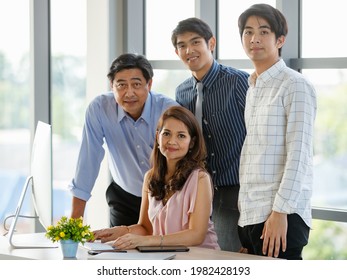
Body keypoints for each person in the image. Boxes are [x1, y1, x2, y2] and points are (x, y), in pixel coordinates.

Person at [237, 4, 317, 259]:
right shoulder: (253, 86)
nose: (254, 39)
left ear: (280, 39)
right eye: (248, 32)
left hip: (281, 217)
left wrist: (280, 212)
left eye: (263, 32)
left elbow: (299, 155)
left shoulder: (295, 85)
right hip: (252, 215)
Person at [68, 53, 178, 227]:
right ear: (112, 86)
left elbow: (181, 159)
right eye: (121, 85)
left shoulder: (169, 110)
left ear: (149, 84)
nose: (129, 93)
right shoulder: (99, 109)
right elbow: (88, 160)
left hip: (164, 197)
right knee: (119, 251)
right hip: (124, 197)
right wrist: (74, 223)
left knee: (161, 251)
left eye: (136, 84)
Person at [92, 106, 220, 250]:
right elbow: (146, 228)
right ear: (157, 137)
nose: (172, 141)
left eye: (181, 136)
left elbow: (196, 235)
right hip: (167, 257)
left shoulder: (200, 179)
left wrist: (147, 241)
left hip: (201, 258)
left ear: (192, 143)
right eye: (166, 134)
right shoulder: (150, 177)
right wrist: (121, 231)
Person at [171, 17, 249, 252]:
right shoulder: (182, 91)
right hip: (198, 189)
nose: (189, 50)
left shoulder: (238, 82)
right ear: (177, 52)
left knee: (229, 255)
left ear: (211, 43)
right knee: (200, 254)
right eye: (182, 45)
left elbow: (258, 135)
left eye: (195, 42)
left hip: (234, 187)